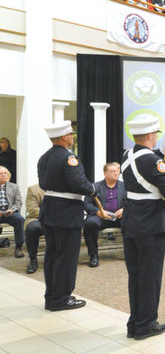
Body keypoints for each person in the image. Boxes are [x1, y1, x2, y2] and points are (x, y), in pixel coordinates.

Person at [121, 113, 165, 339]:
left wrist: (163, 156)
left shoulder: (126, 155)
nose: (156, 137)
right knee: (150, 277)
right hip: (150, 223)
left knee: (135, 275)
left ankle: (134, 323)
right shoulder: (154, 161)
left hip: (131, 220)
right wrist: (162, 162)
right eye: (155, 134)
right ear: (150, 135)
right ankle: (146, 324)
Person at [37, 121, 96, 311]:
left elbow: (44, 184)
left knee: (52, 255)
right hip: (67, 212)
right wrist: (93, 189)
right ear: (64, 137)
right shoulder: (70, 158)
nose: (73, 137)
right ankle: (62, 299)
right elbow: (79, 184)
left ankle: (52, 296)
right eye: (71, 134)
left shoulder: (44, 158)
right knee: (66, 257)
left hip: (50, 209)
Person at [83, 162, 125, 267]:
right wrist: (98, 212)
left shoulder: (125, 186)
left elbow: (132, 202)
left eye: (117, 171)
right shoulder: (95, 186)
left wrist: (124, 210)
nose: (116, 173)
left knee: (132, 222)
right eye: (112, 172)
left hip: (119, 217)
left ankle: (130, 253)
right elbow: (86, 204)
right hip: (101, 218)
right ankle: (93, 255)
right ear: (105, 173)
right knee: (89, 223)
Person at [0, 166, 24, 258]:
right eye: (1, 173)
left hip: (10, 212)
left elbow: (18, 202)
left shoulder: (14, 187)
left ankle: (18, 247)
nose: (3, 175)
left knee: (20, 219)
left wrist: (12, 210)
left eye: (5, 173)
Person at [24, 183, 44, 274]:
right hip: (37, 218)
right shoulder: (33, 189)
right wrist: (50, 214)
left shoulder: (60, 187)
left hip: (57, 219)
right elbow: (32, 209)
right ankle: (33, 259)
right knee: (32, 228)